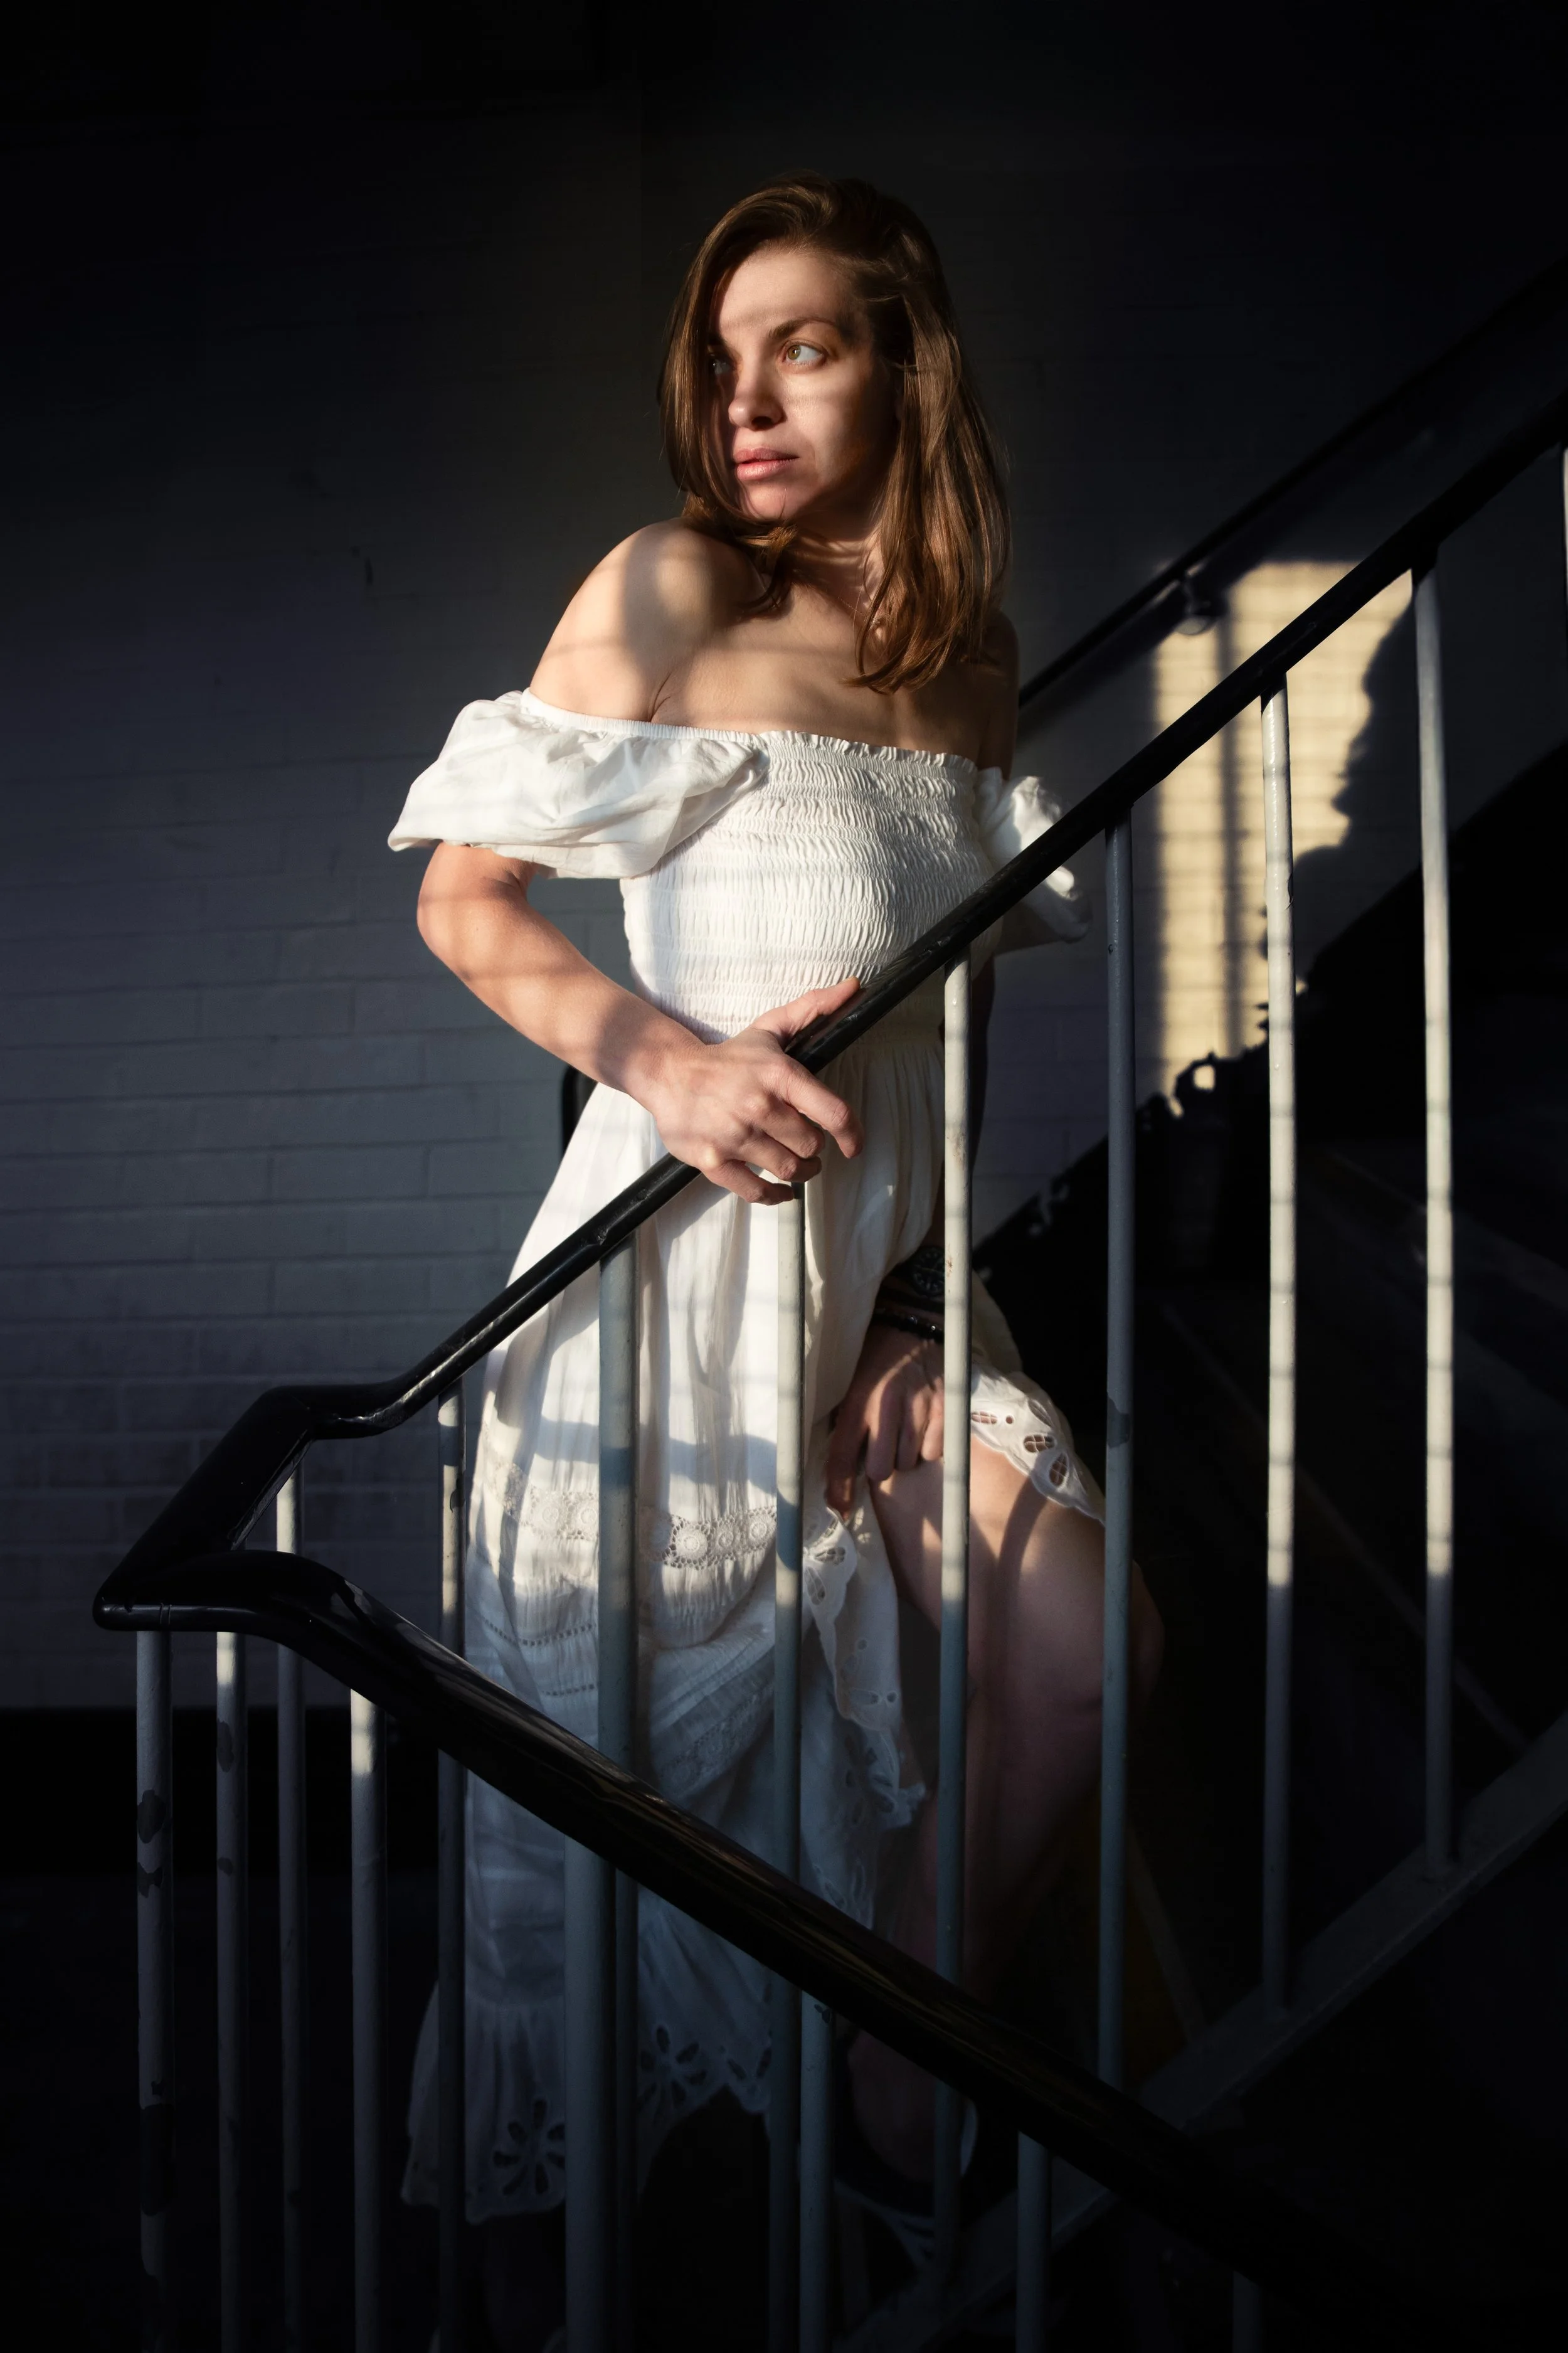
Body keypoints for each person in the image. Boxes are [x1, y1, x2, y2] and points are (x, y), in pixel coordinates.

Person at [390, 173, 1162, 2346]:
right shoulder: (665, 588)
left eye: (801, 347)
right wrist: (666, 1062)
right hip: (653, 1315)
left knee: (1081, 1661)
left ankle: (891, 2099)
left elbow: (946, 1034)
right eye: (720, 360)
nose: (742, 401)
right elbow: (460, 896)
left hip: (881, 1307)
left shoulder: (965, 666)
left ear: (909, 366)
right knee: (590, 1851)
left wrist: (913, 1294)